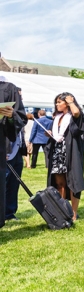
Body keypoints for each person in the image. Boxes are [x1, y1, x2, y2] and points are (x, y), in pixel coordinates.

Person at [46, 92, 84, 221]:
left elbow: (76, 113)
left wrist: (71, 102)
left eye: (59, 102)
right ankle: (62, 210)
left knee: (73, 182)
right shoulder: (57, 117)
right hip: (58, 151)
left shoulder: (74, 115)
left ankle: (73, 213)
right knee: (60, 183)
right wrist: (50, 134)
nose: (57, 104)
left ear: (67, 103)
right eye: (56, 102)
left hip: (71, 151)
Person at [0, 77, 27, 227]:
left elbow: (20, 120)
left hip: (11, 147)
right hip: (5, 147)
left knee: (12, 182)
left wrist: (12, 115)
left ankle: (9, 212)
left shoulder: (9, 88)